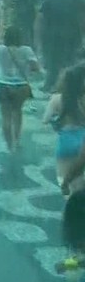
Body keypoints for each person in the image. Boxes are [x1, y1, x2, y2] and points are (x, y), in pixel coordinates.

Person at [0, 26, 40, 152]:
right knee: (17, 112)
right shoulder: (27, 50)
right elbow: (36, 67)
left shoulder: (0, 49)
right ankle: (17, 141)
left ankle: (9, 145)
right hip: (21, 86)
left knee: (6, 116)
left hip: (3, 85)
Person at [37, 0, 85, 92]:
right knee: (70, 60)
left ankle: (50, 85)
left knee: (53, 61)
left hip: (53, 34)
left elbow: (41, 19)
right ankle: (69, 86)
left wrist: (39, 36)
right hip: (73, 34)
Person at [44, 65, 85, 194]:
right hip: (82, 137)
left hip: (66, 141)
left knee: (66, 182)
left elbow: (45, 119)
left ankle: (72, 206)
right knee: (79, 175)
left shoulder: (57, 99)